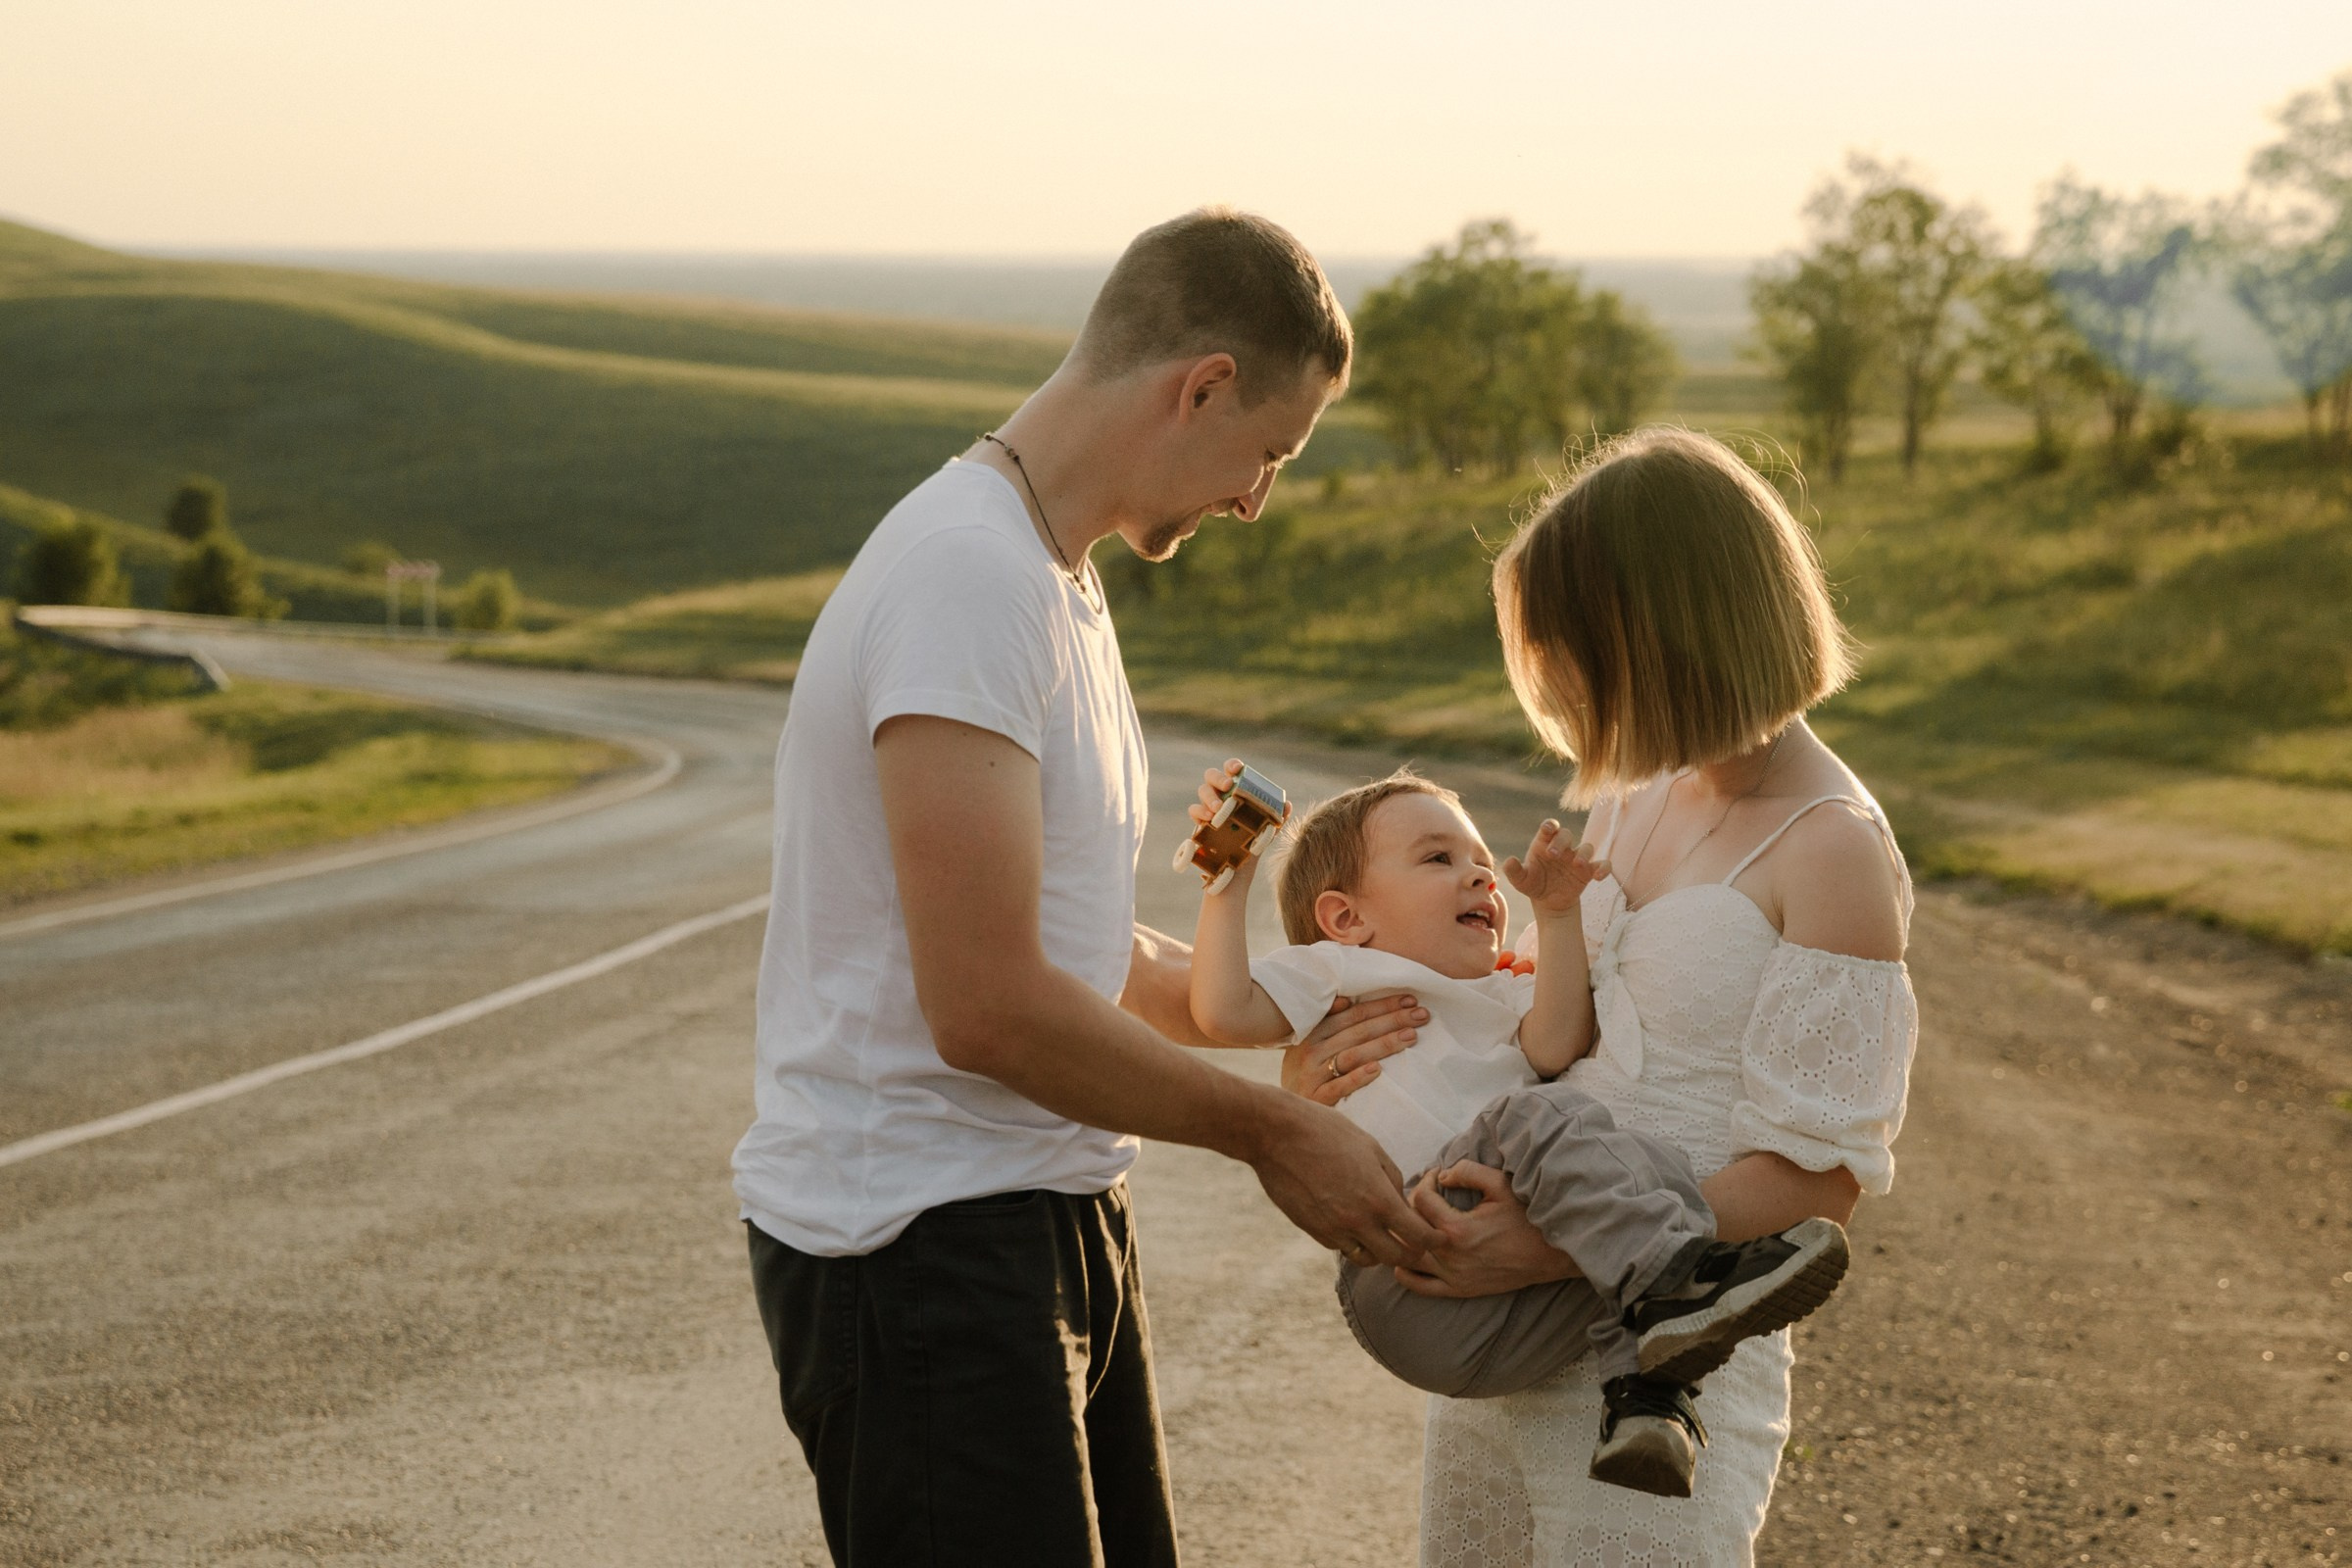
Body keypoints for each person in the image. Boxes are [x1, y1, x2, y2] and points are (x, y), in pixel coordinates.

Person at [730, 207, 1440, 1568]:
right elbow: (987, 1006)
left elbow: (1059, 940)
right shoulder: (966, 578)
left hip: (1039, 1217)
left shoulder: (1055, 581)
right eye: (1271, 453)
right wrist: (1272, 1136)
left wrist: (1289, 1015)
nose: (1256, 498)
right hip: (922, 1249)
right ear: (1204, 386)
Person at [1282, 428, 1920, 1566]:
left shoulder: (1831, 851)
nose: (1564, 683)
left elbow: (1821, 1174)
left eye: (1578, 647)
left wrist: (1562, 1248)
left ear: (1667, 629)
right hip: (1503, 1325)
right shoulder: (1636, 797)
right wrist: (1333, 1064)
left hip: (1668, 1358)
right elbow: (1537, 1035)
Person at [1184, 765, 1850, 1497]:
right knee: (1545, 1120)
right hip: (1403, 1278)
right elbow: (1221, 1010)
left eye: (1480, 861)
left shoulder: (1500, 988)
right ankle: (1677, 1283)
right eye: (1439, 859)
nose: (1480, 878)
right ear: (1345, 918)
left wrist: (1558, 916)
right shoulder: (1342, 972)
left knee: (1640, 1168)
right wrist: (1229, 875)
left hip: (1500, 1306)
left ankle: (1647, 1398)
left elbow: (1557, 1043)